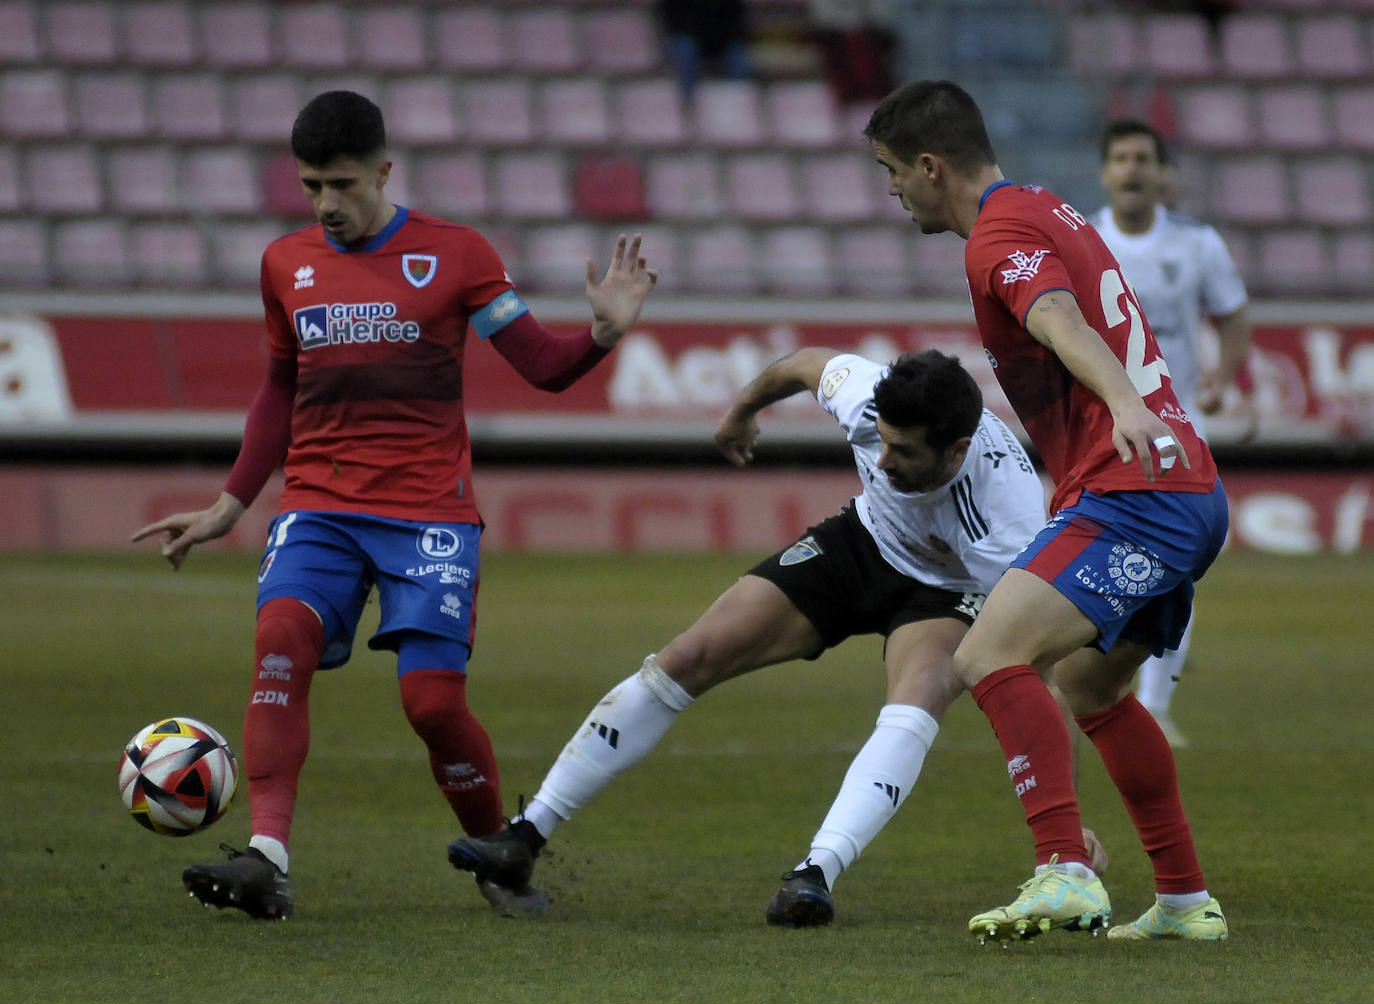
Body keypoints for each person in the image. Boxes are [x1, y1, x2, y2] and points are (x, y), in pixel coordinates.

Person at [130, 90, 659, 920]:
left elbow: (543, 367)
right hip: (320, 504)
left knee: (433, 704)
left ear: (383, 171)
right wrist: (233, 503)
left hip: (428, 513)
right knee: (279, 641)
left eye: (342, 184)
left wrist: (601, 334)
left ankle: (500, 854)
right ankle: (267, 853)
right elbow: (278, 388)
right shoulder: (284, 264)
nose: (326, 205)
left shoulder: (457, 255)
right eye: (311, 187)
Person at [448, 346, 1108, 925]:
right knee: (688, 655)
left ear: (957, 451)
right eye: (881, 440)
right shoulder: (866, 396)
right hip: (861, 544)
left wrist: (1066, 818)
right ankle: (523, 839)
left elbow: (1036, 670)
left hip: (948, 588)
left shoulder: (1010, 516)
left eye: (905, 452)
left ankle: (814, 875)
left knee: (914, 702)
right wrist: (742, 410)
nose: (884, 458)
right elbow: (799, 363)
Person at [863, 80, 1230, 942]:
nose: (890, 192)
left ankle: (1065, 869)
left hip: (1137, 486)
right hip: (1182, 487)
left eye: (890, 172)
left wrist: (1124, 403)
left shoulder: (998, 233)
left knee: (988, 651)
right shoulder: (1042, 206)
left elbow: (1057, 316)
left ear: (929, 165)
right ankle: (1183, 900)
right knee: (1091, 684)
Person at [1090, 118, 1253, 748]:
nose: (1132, 169)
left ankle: (1154, 705)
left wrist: (1222, 379)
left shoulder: (1197, 243)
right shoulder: (1085, 242)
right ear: (1105, 172)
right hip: (1100, 428)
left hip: (1179, 426)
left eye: (1143, 158)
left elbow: (1234, 313)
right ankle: (1095, 686)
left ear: (1162, 175)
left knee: (1178, 566)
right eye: (1121, 157)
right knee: (1094, 557)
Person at [658, 0, 752, 103]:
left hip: (723, 39)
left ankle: (738, 103)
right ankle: (687, 102)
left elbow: (735, 19)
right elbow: (673, 20)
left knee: (739, 60)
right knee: (686, 52)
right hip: (689, 36)